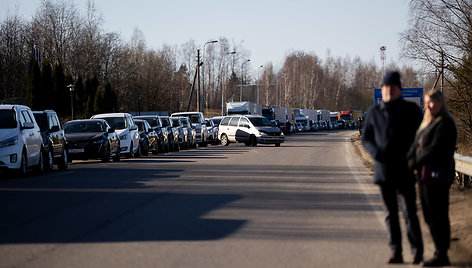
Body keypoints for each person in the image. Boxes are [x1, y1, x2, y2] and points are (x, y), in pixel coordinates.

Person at [362, 71, 424, 264]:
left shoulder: (411, 110)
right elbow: (367, 138)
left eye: (392, 86)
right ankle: (396, 252)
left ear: (400, 89)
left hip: (406, 170)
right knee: (390, 214)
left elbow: (420, 136)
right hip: (384, 171)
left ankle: (417, 251)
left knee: (409, 212)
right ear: (382, 90)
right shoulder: (374, 112)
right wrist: (376, 153)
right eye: (385, 86)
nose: (389, 89)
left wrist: (414, 157)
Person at [407, 89, 457, 267]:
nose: (429, 106)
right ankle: (439, 250)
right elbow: (415, 144)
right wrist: (411, 159)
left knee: (438, 215)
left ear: (441, 103)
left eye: (433, 102)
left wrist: (415, 161)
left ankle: (442, 254)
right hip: (424, 176)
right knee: (429, 215)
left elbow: (435, 148)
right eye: (427, 102)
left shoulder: (446, 123)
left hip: (438, 175)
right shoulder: (427, 123)